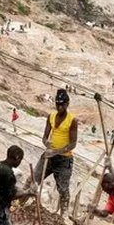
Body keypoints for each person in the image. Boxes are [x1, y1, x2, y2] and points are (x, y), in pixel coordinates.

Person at [37, 88, 78, 216]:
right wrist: (46, 143)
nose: (59, 107)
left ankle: (64, 215)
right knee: (33, 180)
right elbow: (45, 137)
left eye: (62, 104)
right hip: (49, 155)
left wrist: (56, 152)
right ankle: (20, 204)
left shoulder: (72, 120)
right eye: (57, 104)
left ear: (67, 104)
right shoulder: (51, 116)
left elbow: (73, 144)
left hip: (64, 159)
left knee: (63, 189)